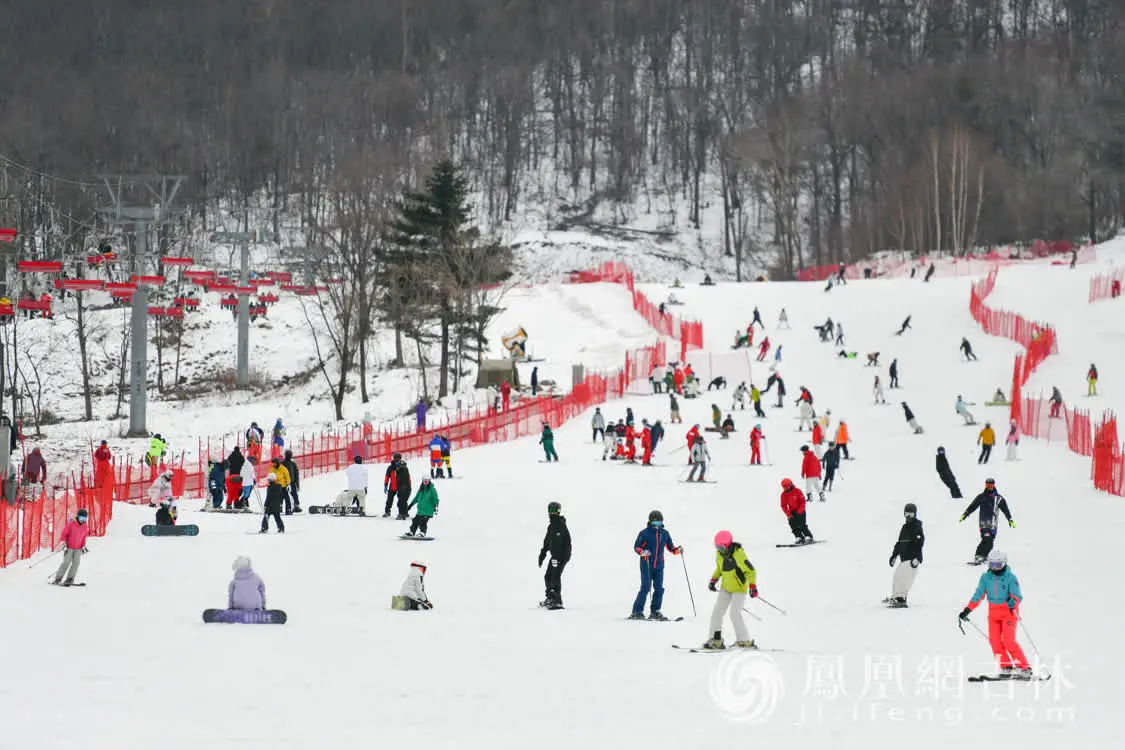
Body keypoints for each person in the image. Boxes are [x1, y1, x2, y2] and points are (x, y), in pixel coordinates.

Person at [958, 550, 1031, 677]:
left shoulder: (1010, 578)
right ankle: (1006, 666)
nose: (994, 568)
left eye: (998, 565)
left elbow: (1017, 595)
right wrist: (967, 610)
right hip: (993, 615)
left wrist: (1014, 601)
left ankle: (1024, 668)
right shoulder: (986, 578)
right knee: (995, 642)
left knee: (1008, 641)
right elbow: (978, 595)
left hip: (1009, 613)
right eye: (992, 565)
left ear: (1004, 563)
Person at [702, 530, 757, 649]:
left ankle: (744, 641)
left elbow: (750, 570)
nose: (719, 550)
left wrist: (753, 586)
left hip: (739, 589)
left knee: (734, 614)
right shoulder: (719, 554)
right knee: (717, 612)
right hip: (725, 588)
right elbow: (719, 569)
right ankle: (715, 640)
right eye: (717, 547)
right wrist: (714, 580)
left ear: (727, 545)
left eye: (721, 547)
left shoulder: (738, 554)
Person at [629, 510, 682, 620]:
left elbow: (671, 548)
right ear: (650, 522)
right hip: (647, 564)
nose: (657, 525)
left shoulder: (665, 533)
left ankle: (655, 611)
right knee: (646, 587)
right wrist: (642, 552)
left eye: (659, 523)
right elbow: (637, 547)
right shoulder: (644, 533)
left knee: (659, 588)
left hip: (659, 566)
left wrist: (677, 550)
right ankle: (637, 611)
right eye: (654, 523)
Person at [959, 478, 1014, 564]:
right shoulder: (981, 497)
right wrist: (965, 514)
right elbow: (973, 506)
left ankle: (979, 555)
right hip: (983, 523)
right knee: (988, 540)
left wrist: (1010, 519)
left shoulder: (998, 498)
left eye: (991, 485)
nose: (989, 487)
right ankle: (982, 556)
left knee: (987, 540)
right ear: (985, 485)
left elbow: (1005, 509)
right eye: (988, 485)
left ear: (994, 485)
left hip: (993, 524)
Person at [886, 503, 924, 607]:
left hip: (912, 559)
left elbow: (919, 543)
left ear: (915, 514)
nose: (908, 517)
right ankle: (896, 596)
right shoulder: (904, 527)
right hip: (904, 558)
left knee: (905, 578)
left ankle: (901, 598)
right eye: (907, 514)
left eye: (911, 514)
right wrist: (894, 555)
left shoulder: (917, 526)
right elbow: (899, 543)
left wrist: (916, 557)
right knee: (897, 576)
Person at [538, 502, 571, 609]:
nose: (552, 513)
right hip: (555, 556)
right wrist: (542, 554)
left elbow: (566, 543)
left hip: (562, 556)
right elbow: (547, 541)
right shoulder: (551, 526)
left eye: (554, 510)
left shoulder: (561, 526)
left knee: (555, 576)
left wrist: (561, 558)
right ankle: (550, 597)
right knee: (548, 576)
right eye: (550, 510)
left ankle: (557, 600)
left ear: (558, 511)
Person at [52, 509, 90, 586]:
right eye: (81, 518)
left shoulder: (85, 526)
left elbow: (83, 537)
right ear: (78, 517)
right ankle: (58, 579)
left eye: (85, 518)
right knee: (66, 562)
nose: (83, 520)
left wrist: (83, 546)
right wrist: (63, 542)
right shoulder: (71, 524)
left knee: (76, 563)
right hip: (69, 547)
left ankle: (70, 579)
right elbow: (64, 534)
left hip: (78, 548)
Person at [384, 453, 412, 519]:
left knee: (402, 500)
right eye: (395, 458)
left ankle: (405, 513)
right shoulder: (390, 467)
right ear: (393, 458)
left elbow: (408, 477)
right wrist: (385, 485)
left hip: (401, 486)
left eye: (398, 458)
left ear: (400, 459)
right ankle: (387, 511)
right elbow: (387, 477)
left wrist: (408, 485)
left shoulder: (403, 467)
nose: (397, 460)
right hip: (393, 486)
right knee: (389, 500)